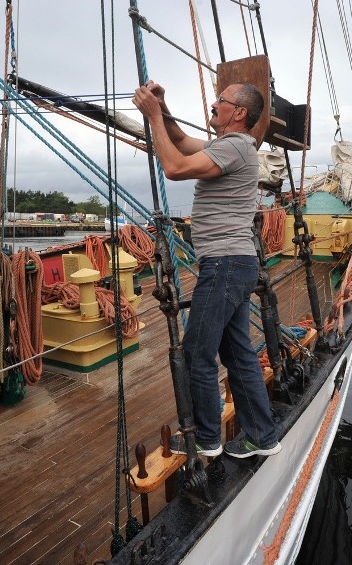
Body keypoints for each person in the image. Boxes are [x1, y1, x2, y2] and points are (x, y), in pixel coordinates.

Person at [133, 80, 281, 458]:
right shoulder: (231, 147)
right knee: (238, 355)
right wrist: (163, 112)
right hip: (237, 263)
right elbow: (181, 142)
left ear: (239, 113)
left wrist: (150, 117)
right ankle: (262, 438)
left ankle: (206, 439)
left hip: (226, 265)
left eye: (221, 101)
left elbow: (175, 166)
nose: (213, 105)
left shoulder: (233, 146)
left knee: (198, 353)